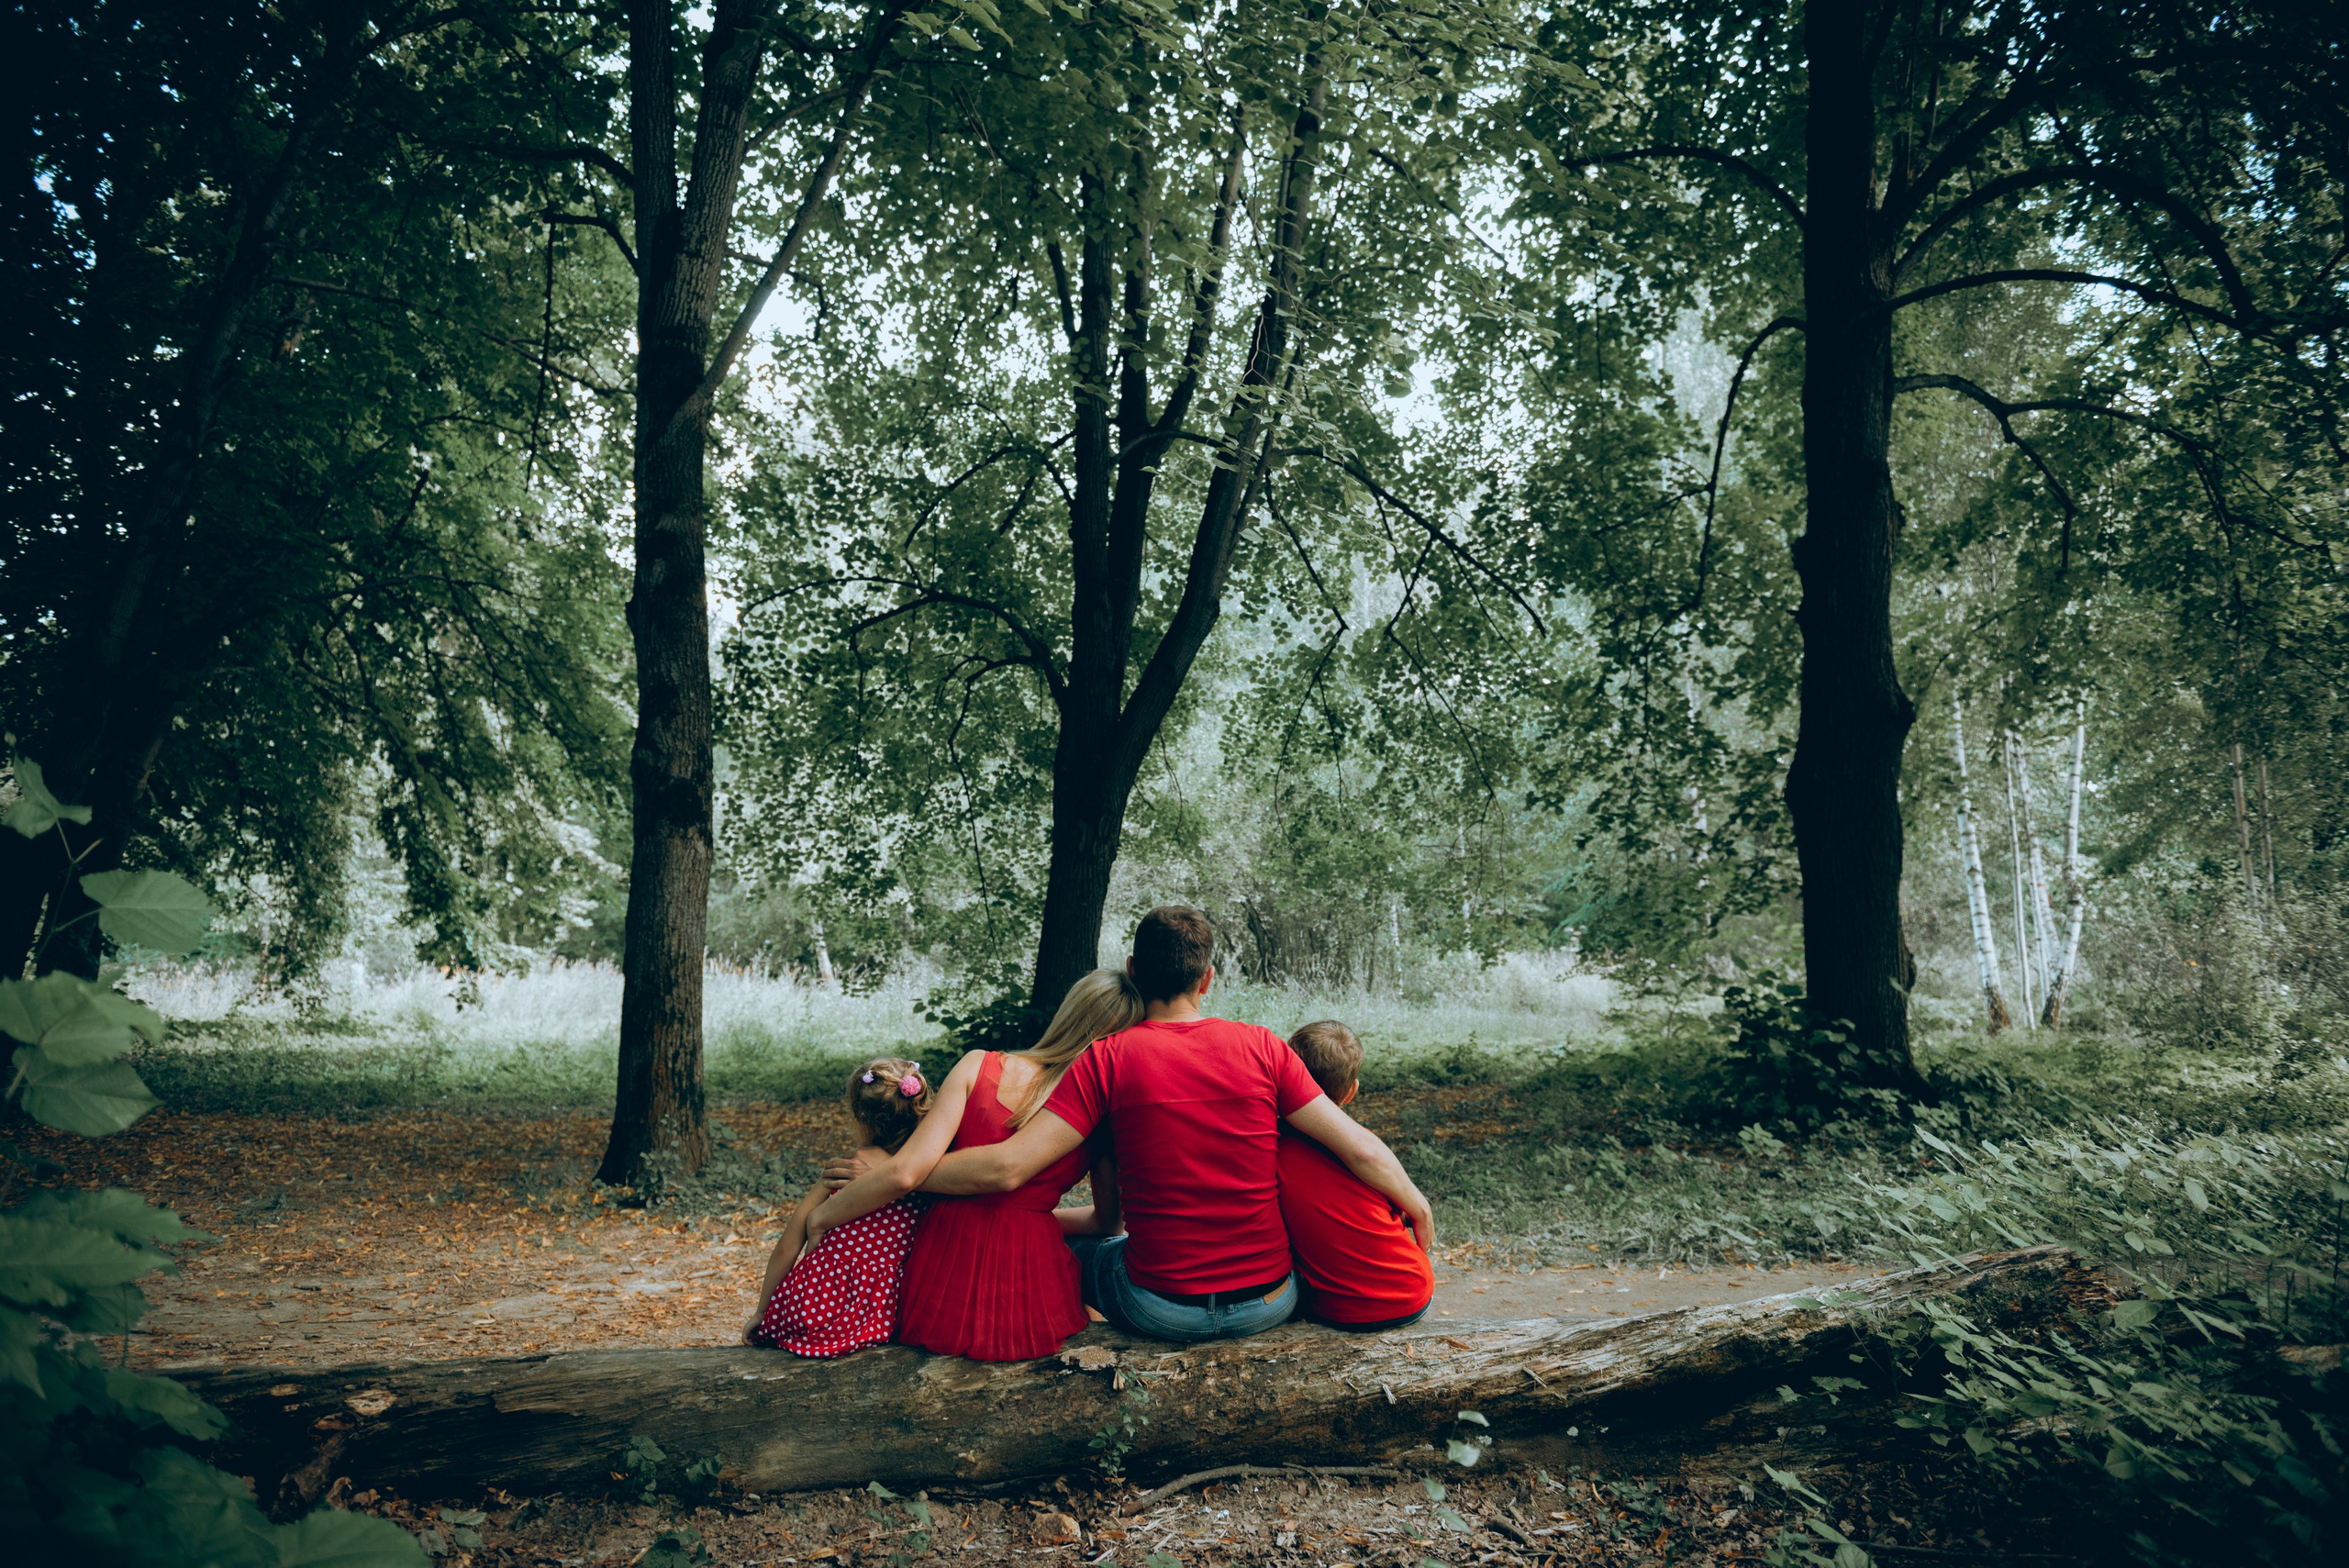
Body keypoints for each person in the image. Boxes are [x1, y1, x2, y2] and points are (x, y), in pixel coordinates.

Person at [848, 906, 1432, 1344]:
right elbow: (1361, 1150)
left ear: (1133, 970)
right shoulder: (1263, 1047)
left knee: (1077, 1250)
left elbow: (1007, 1169)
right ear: (1207, 978)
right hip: (1269, 1302)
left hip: (1160, 1308)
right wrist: (1419, 1207)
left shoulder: (1106, 1059)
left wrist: (901, 1169)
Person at [799, 970, 1139, 1361]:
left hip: (942, 1271)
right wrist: (1033, 1214)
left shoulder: (979, 1065)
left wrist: (832, 1210)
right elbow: (1107, 1224)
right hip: (1030, 1282)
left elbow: (906, 1172)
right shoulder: (1101, 1116)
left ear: (1068, 1013)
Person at [743, 1057, 933, 1358]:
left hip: (813, 1307)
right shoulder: (929, 1179)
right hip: (882, 1314)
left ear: (859, 1121)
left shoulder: (844, 1169)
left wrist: (762, 1312)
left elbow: (787, 1246)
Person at [1277, 1020, 1436, 1329]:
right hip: (1409, 1294)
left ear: (1287, 1079)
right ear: (1352, 1091)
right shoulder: (1366, 1148)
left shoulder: (1271, 1145)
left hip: (1333, 1309)